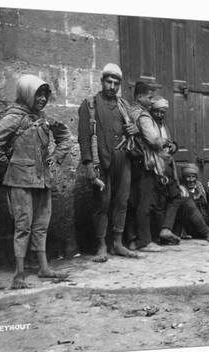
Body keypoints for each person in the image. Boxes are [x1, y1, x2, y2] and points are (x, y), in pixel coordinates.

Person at [0, 74, 72, 289]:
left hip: (43, 181)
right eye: (37, 94)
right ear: (26, 94)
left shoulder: (43, 118)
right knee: (23, 227)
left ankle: (43, 268)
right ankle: (19, 274)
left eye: (44, 94)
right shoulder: (14, 118)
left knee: (41, 225)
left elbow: (65, 136)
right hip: (20, 183)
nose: (42, 99)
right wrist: (9, 168)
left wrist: (56, 157)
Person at [77, 63, 140, 262]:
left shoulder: (124, 106)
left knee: (122, 201)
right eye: (109, 82)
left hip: (123, 159)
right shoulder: (90, 104)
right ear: (102, 82)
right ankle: (102, 245)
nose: (112, 86)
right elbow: (84, 137)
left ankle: (118, 244)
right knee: (102, 204)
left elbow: (133, 132)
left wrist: (134, 131)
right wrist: (88, 165)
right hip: (101, 160)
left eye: (116, 83)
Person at [125, 82, 169, 251]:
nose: (152, 101)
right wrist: (164, 141)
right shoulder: (143, 116)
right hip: (145, 163)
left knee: (134, 201)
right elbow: (154, 140)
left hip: (133, 161)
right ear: (139, 97)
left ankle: (133, 240)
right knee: (145, 202)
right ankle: (145, 241)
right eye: (149, 97)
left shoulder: (131, 111)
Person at [147, 96, 181, 245]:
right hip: (155, 167)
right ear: (152, 111)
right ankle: (160, 234)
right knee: (159, 203)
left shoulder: (164, 126)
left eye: (162, 112)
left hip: (167, 166)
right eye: (157, 112)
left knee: (175, 196)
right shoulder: (149, 126)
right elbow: (153, 144)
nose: (160, 115)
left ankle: (165, 229)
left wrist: (174, 146)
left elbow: (170, 142)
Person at [177, 164, 209, 242]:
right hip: (190, 227)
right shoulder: (180, 190)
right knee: (189, 202)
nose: (191, 180)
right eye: (188, 177)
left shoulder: (200, 187)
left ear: (196, 178)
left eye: (193, 177)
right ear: (184, 178)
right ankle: (207, 234)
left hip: (206, 222)